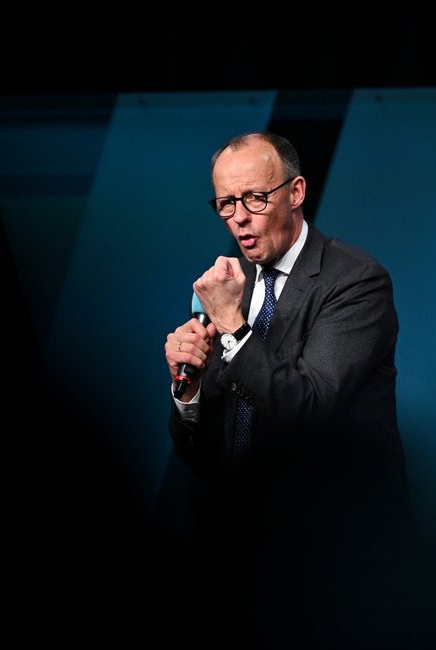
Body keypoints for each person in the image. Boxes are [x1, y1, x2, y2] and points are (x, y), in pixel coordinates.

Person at [162, 130, 415, 541]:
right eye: (226, 203)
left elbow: (310, 410)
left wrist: (232, 328)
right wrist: (188, 392)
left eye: (254, 198)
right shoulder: (231, 288)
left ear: (296, 192)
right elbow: (207, 458)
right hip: (243, 538)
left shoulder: (355, 281)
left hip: (339, 541)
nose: (239, 217)